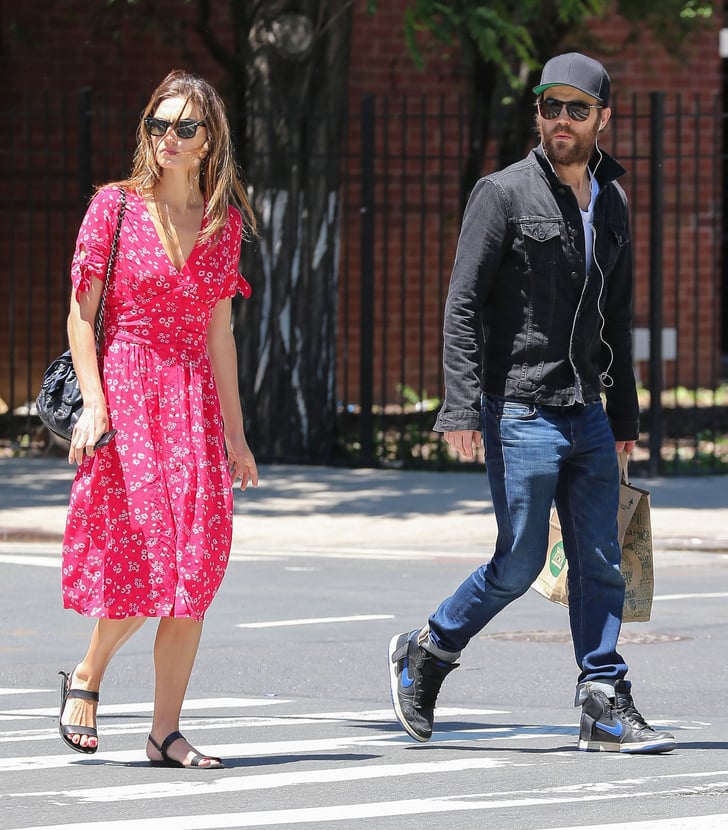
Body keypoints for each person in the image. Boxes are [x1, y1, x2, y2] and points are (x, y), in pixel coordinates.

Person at [388, 53, 676, 754]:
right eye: (551, 107)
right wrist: (460, 407)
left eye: (578, 109)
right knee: (518, 563)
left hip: (587, 411)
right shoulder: (503, 194)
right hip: (519, 407)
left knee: (601, 559)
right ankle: (428, 649)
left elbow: (617, 315)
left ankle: (604, 697)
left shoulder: (611, 201)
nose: (562, 121)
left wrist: (625, 420)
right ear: (538, 114)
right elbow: (461, 304)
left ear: (604, 118)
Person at [58, 69, 259, 769]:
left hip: (193, 408)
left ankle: (164, 731)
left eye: (184, 127)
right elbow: (82, 319)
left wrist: (235, 436)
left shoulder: (222, 223)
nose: (168, 138)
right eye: (157, 124)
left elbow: (219, 336)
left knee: (193, 570)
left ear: (208, 142)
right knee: (149, 563)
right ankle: (88, 673)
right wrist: (94, 400)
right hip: (128, 397)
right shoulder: (113, 209)